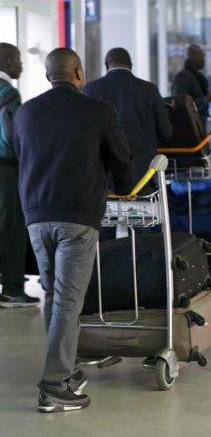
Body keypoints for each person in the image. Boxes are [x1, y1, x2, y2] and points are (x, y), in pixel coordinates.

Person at [14, 48, 134, 412]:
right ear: (79, 73)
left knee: (54, 294)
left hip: (36, 214)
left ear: (50, 74)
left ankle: (66, 369)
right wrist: (124, 186)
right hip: (78, 217)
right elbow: (122, 161)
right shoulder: (97, 111)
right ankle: (53, 387)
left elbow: (23, 157)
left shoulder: (25, 112)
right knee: (68, 300)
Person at [82, 47, 172, 188]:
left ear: (106, 66)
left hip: (103, 177)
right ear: (131, 65)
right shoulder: (149, 90)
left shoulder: (90, 90)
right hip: (143, 177)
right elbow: (166, 131)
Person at [0, 42, 39, 308]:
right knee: (12, 227)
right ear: (8, 62)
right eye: (19, 59)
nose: (22, 65)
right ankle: (12, 290)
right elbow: (10, 135)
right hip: (6, 169)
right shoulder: (8, 93)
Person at [171, 44, 211, 120]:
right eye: (202, 56)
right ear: (194, 56)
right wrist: (206, 99)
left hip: (197, 126)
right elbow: (179, 105)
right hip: (188, 129)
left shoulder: (195, 76)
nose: (204, 60)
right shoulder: (183, 76)